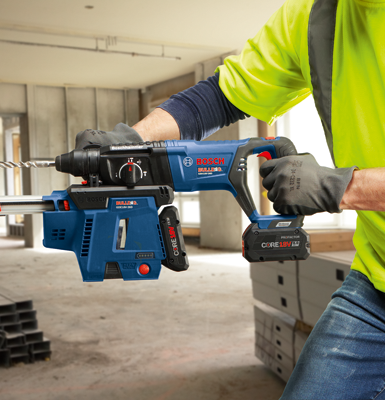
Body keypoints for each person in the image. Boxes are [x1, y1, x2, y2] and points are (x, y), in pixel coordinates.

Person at [76, 0, 385, 398]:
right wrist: (131, 140)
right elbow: (221, 97)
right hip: (376, 282)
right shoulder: (315, 14)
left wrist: (343, 187)